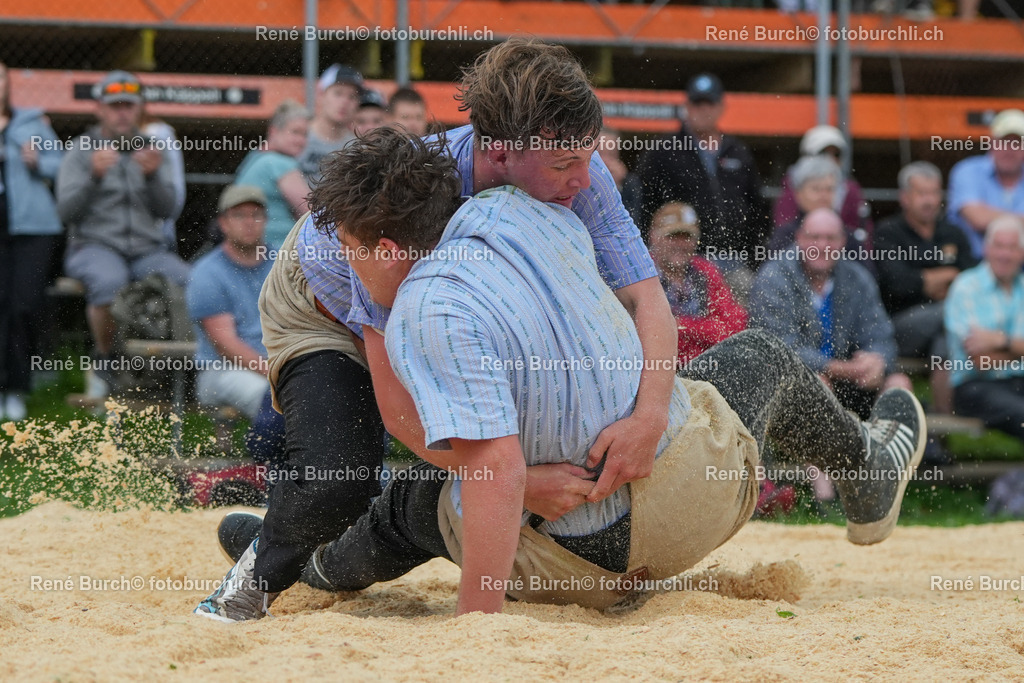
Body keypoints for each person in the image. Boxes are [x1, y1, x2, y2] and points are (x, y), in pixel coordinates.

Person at [196, 130, 926, 620]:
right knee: (762, 357)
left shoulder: (428, 305)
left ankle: (315, 564)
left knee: (422, 498)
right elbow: (645, 300)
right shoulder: (557, 217)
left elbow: (475, 455)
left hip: (554, 553)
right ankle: (863, 465)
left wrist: (479, 619)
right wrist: (646, 416)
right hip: (683, 506)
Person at [194, 37, 677, 622]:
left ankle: (313, 546)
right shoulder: (397, 207)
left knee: (484, 456)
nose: (584, 180)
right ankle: (247, 586)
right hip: (323, 300)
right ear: (499, 154)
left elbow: (646, 298)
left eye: (585, 160)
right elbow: (401, 412)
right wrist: (515, 481)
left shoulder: (572, 159)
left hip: (412, 287)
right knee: (341, 473)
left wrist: (649, 419)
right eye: (563, 167)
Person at [56, 70, 188, 388]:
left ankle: (180, 373)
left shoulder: (153, 149)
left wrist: (155, 176)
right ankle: (105, 361)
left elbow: (168, 211)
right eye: (114, 105)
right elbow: (65, 212)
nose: (122, 112)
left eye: (129, 105)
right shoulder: (81, 148)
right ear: (99, 109)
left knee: (192, 281)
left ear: (139, 108)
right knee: (109, 283)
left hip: (147, 249)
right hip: (94, 245)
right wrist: (93, 177)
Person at [751, 208, 912, 420]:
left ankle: (883, 451)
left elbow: (881, 335)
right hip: (793, 384)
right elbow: (780, 348)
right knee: (818, 385)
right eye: (814, 237)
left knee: (899, 385)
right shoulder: (773, 278)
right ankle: (827, 453)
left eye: (831, 238)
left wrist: (878, 362)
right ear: (799, 239)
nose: (822, 246)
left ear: (843, 241)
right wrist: (836, 368)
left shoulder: (857, 278)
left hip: (853, 380)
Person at [185, 185, 284, 469]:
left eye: (256, 214)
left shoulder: (283, 263)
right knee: (281, 404)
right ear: (223, 223)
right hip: (223, 370)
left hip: (278, 364)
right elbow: (226, 346)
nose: (250, 222)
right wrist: (278, 372)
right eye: (239, 215)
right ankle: (274, 478)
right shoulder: (207, 272)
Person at [635, 73, 769, 277]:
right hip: (682, 264)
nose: (704, 109)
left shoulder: (738, 151)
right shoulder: (663, 151)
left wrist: (754, 259)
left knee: (741, 304)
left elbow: (757, 208)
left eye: (710, 103)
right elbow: (644, 206)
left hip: (735, 263)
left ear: (722, 107)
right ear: (687, 107)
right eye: (698, 103)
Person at [874, 161, 977, 414]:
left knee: (946, 334)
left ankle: (941, 421)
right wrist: (949, 277)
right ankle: (944, 419)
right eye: (922, 193)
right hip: (899, 328)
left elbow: (973, 279)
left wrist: (924, 280)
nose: (929, 200)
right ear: (905, 197)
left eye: (934, 193)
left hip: (943, 329)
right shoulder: (888, 232)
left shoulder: (953, 233)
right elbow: (896, 284)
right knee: (950, 312)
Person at [0, 60, 64, 422]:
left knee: (23, 307)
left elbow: (61, 166)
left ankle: (17, 390)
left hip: (32, 228)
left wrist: (37, 161)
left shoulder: (32, 123)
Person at [944, 215, 1024, 440]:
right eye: (999, 246)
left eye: (1012, 247)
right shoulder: (967, 287)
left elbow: (991, 352)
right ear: (986, 248)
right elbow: (981, 360)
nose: (1005, 254)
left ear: (1022, 253)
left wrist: (1001, 341)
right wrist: (1018, 349)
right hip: (976, 386)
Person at [648, 202, 747, 364]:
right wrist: (703, 333)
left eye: (687, 237)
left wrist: (681, 325)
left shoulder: (705, 271)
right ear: (654, 237)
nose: (680, 244)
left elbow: (733, 328)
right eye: (672, 236)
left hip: (707, 365)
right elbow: (649, 335)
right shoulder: (641, 274)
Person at [773, 125, 873, 247]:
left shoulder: (851, 190)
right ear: (799, 193)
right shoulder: (787, 235)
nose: (829, 159)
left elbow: (862, 233)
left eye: (836, 154)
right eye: (823, 153)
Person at [948, 109, 1024, 259]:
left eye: (1017, 143)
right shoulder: (967, 170)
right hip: (973, 264)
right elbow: (978, 219)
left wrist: (990, 215)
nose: (1009, 150)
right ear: (992, 142)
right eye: (1004, 142)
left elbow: (983, 217)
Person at [235, 99, 309, 251]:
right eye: (295, 132)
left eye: (305, 134)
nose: (301, 140)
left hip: (254, 250)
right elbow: (311, 212)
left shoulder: (254, 157)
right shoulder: (279, 163)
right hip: (279, 252)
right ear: (274, 131)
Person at [297, 64, 362, 184]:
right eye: (338, 93)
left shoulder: (358, 149)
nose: (345, 102)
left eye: (352, 96)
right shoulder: (296, 136)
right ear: (321, 95)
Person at [597, 127, 643, 230]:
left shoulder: (629, 183)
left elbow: (631, 224)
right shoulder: (578, 181)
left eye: (611, 154)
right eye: (599, 153)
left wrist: (617, 187)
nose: (606, 161)